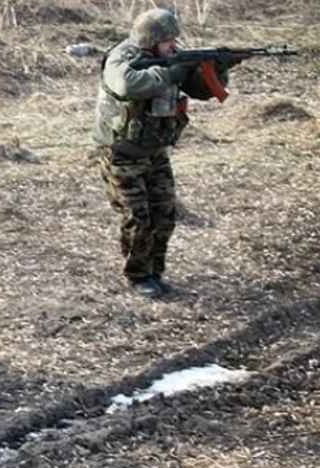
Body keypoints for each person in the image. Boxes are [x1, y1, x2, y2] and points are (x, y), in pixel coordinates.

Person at [93, 8, 233, 298]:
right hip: (122, 153)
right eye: (168, 41)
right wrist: (170, 72)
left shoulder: (170, 57)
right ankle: (138, 275)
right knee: (137, 217)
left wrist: (219, 69)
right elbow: (127, 84)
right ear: (151, 40)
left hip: (156, 151)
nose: (173, 45)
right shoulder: (121, 57)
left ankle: (155, 271)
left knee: (164, 213)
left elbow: (201, 90)